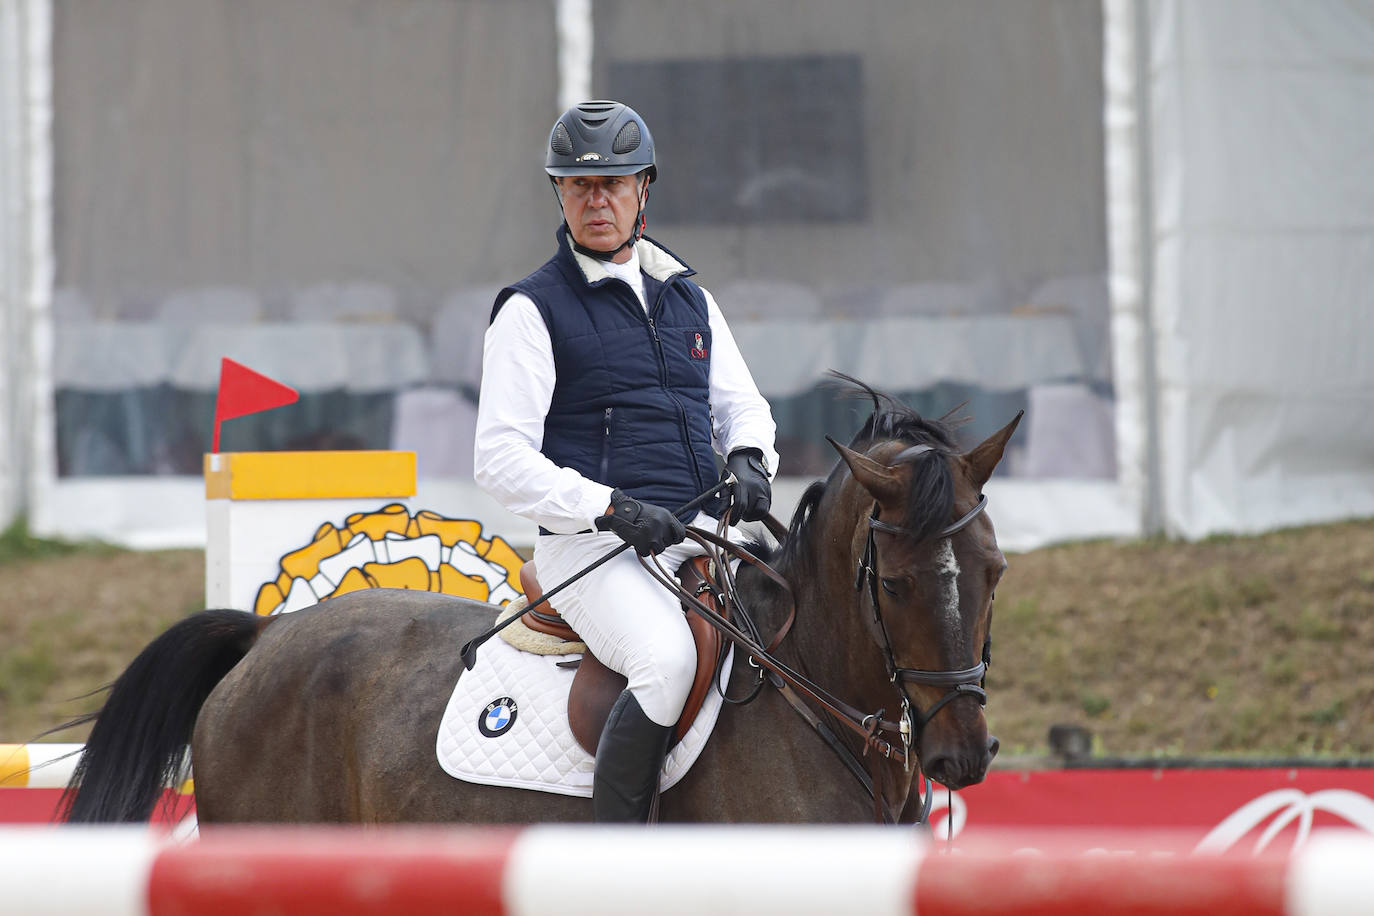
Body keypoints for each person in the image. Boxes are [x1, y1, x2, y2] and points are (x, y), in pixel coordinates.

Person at [473, 100, 779, 822]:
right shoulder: (531, 309)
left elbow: (745, 407)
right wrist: (608, 508)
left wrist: (749, 459)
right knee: (665, 663)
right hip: (594, 551)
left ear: (645, 188)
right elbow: (499, 458)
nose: (595, 199)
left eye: (611, 183)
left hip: (700, 534)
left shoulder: (690, 298)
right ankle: (619, 866)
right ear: (559, 194)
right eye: (578, 186)